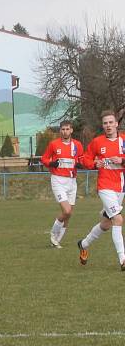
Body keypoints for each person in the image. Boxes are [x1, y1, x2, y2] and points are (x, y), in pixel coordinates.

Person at [77, 110, 125, 269]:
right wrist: (93, 164)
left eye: (111, 122)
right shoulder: (98, 142)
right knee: (118, 219)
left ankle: (83, 244)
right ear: (103, 126)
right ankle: (123, 259)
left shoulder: (123, 140)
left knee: (106, 224)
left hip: (120, 187)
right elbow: (85, 158)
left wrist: (122, 160)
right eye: (105, 123)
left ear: (117, 123)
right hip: (105, 186)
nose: (108, 126)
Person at [40, 120, 84, 248]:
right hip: (58, 180)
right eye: (63, 129)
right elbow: (44, 158)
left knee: (69, 214)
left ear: (71, 130)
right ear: (60, 131)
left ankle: (57, 240)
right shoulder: (54, 144)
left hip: (72, 181)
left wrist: (81, 164)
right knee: (67, 211)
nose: (65, 131)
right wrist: (51, 163)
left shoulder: (77, 145)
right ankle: (53, 234)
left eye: (67, 129)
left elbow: (81, 159)